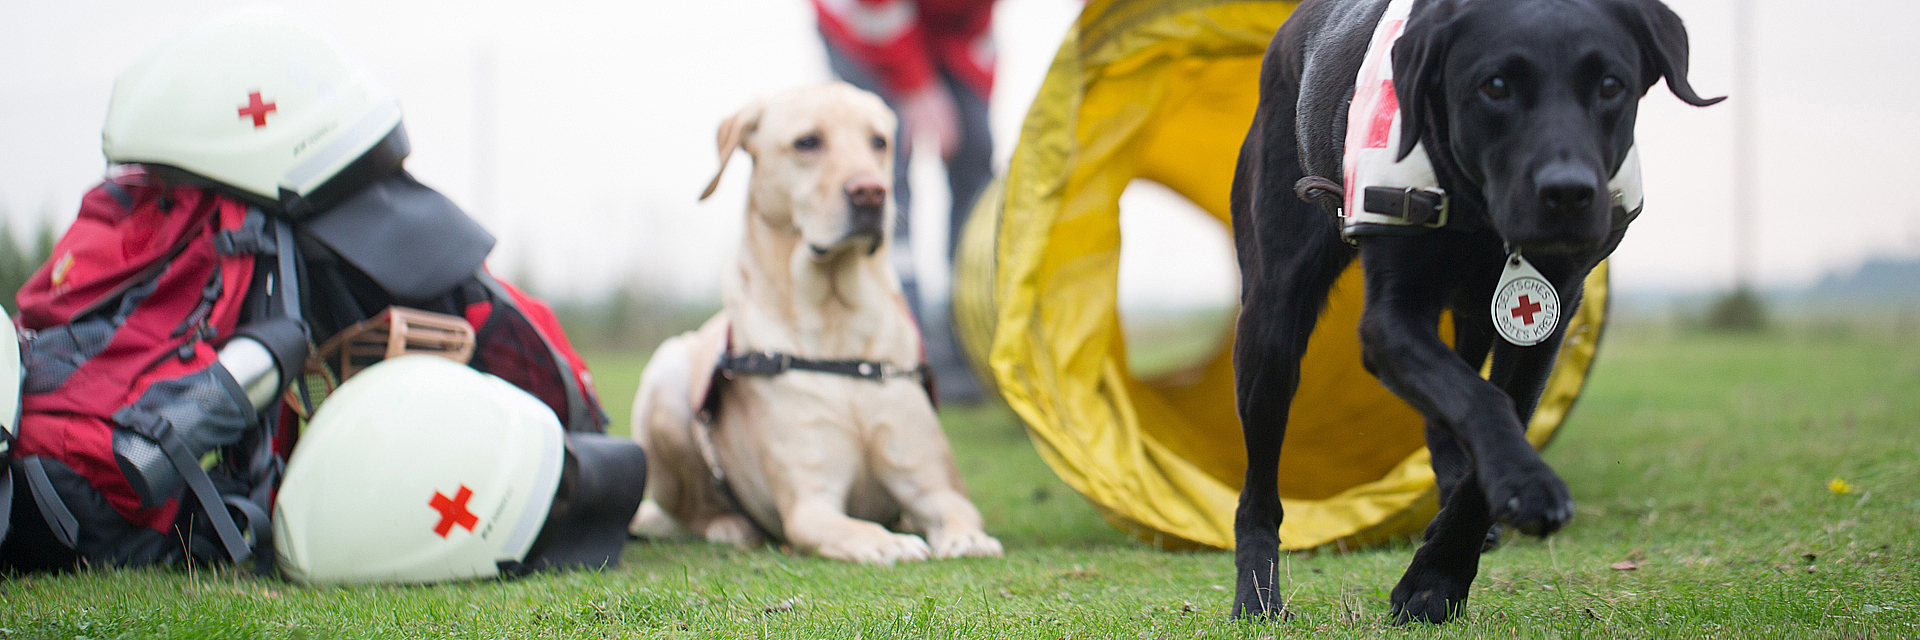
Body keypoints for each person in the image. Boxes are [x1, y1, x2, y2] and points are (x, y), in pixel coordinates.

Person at [813, 0, 997, 402]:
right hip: (863, 21)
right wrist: (916, 83)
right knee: (882, 165)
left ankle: (969, 344)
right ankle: (899, 352)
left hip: (946, 32)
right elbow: (878, 11)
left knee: (976, 150)